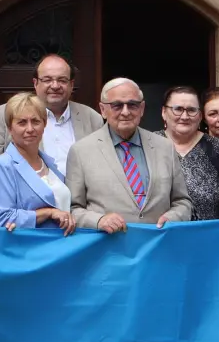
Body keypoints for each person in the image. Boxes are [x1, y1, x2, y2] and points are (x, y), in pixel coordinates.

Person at [67, 78, 192, 232]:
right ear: (103, 110)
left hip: (158, 245)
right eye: (117, 105)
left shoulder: (164, 147)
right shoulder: (81, 151)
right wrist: (98, 220)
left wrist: (174, 217)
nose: (125, 112)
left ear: (142, 108)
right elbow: (72, 209)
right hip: (110, 248)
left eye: (132, 105)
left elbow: (182, 201)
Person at [0, 54, 102, 170]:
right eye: (47, 80)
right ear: (35, 83)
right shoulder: (5, 113)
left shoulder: (92, 118)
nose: (55, 86)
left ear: (71, 84)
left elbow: (101, 165)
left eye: (62, 80)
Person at [0, 92, 76, 234]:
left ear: (44, 124)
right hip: (28, 251)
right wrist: (48, 212)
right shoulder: (3, 165)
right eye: (22, 122)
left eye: (35, 121)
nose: (30, 129)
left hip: (61, 247)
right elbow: (3, 220)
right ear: (10, 128)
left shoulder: (49, 163)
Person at [161, 87, 219, 223]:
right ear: (164, 112)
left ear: (200, 116)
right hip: (161, 234)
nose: (184, 116)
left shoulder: (215, 146)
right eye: (178, 109)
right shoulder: (150, 144)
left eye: (191, 110)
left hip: (209, 235)